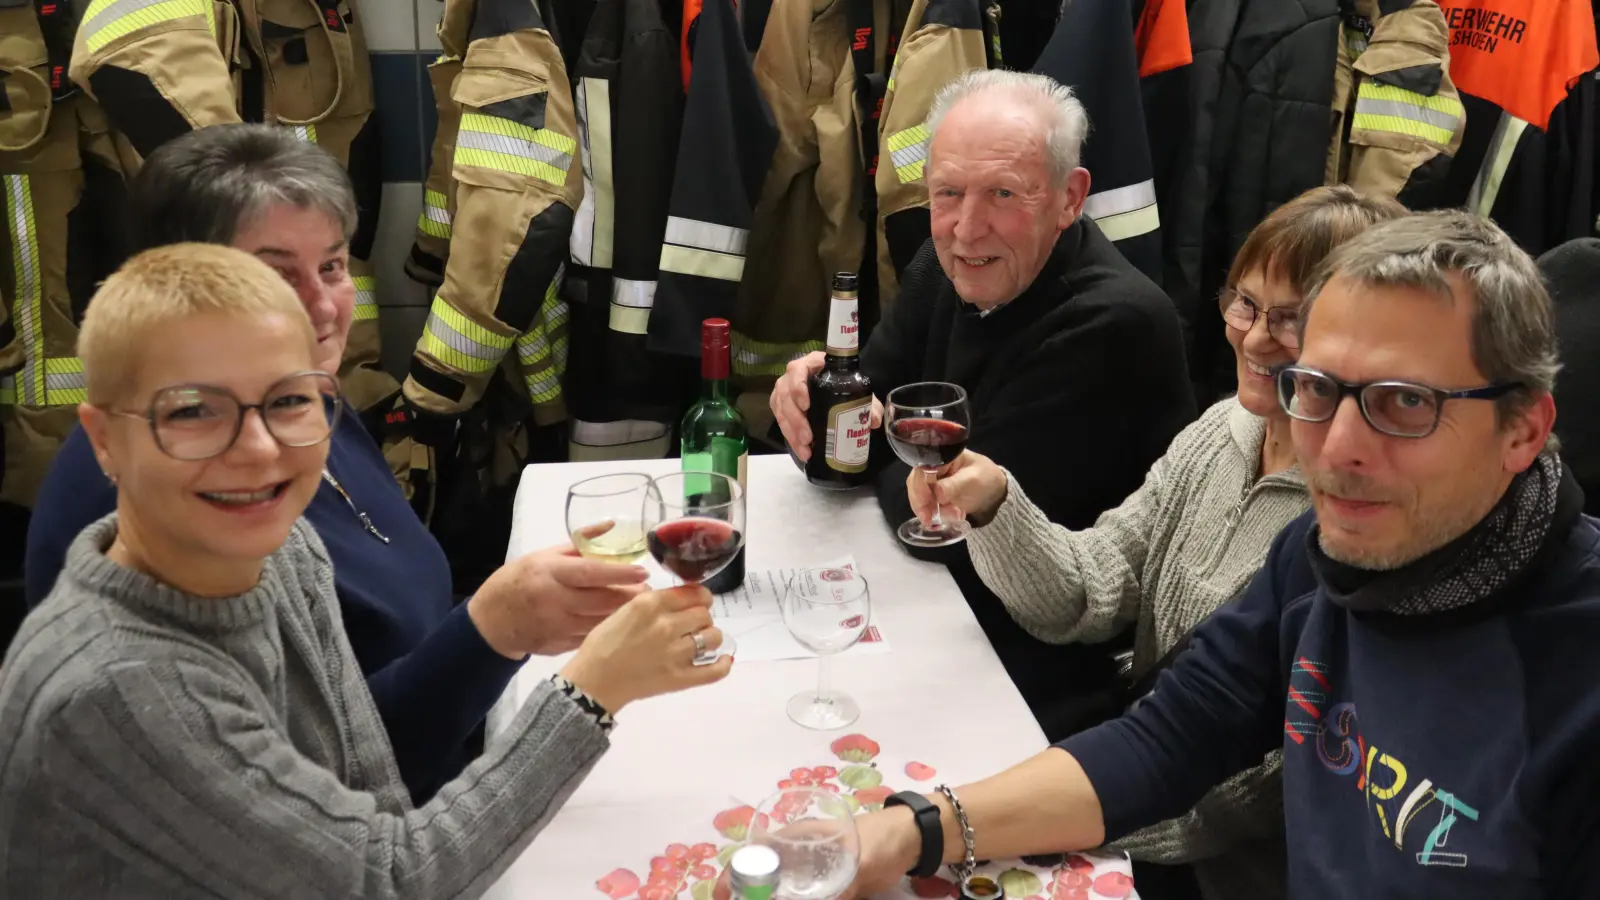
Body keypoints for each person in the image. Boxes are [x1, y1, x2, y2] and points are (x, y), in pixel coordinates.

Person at [821, 211, 1600, 899]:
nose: (1339, 449)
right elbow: (1167, 740)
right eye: (1319, 389)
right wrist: (908, 830)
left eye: (1405, 402)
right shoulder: (1319, 557)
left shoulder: (1573, 680)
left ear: (1524, 430)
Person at [0, 244, 731, 897]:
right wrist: (592, 690)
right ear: (103, 441)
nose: (257, 449)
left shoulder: (280, 550)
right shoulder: (117, 690)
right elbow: (388, 880)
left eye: (288, 401)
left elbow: (369, 786)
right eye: (192, 411)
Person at [20, 124, 629, 804]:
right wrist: (505, 631)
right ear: (177, 287)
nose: (319, 304)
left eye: (332, 266)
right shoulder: (163, 486)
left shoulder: (300, 402)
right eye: (275, 274)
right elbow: (329, 790)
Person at [903, 185, 1405, 900]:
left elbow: (1244, 793)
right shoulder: (1221, 431)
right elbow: (1090, 591)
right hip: (1121, 791)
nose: (1256, 338)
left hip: (1208, 868)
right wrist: (994, 504)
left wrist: (1032, 821)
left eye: (1291, 320)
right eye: (1246, 305)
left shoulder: (1354, 520)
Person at [769, 70, 1196, 730]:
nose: (967, 228)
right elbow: (852, 432)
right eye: (947, 193)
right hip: (937, 614)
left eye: (1003, 193)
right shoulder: (948, 267)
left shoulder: (1113, 325)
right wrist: (807, 405)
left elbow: (950, 530)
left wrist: (861, 434)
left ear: (1068, 198)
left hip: (1041, 673)